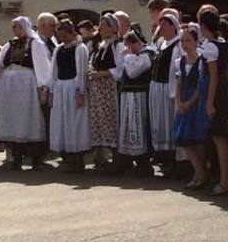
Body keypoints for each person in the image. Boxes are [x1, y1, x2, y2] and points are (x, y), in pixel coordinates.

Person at [0, 15, 52, 170]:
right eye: (13, 27)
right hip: (10, 87)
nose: (15, 29)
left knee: (29, 119)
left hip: (26, 86)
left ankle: (36, 159)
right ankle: (16, 158)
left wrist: (43, 86)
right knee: (13, 120)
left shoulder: (35, 44)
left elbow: (42, 66)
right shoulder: (11, 44)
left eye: (17, 26)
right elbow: (0, 63)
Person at [199, 7, 228, 195]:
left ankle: (225, 181)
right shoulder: (225, 44)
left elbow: (213, 76)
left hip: (215, 92)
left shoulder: (210, 47)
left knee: (220, 138)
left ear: (203, 26)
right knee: (227, 138)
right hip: (226, 92)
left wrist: (209, 103)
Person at [48, 18, 90, 171]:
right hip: (60, 88)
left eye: (65, 36)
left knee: (76, 122)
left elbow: (82, 72)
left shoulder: (80, 48)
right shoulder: (58, 49)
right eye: (60, 36)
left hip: (73, 87)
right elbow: (53, 71)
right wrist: (52, 91)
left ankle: (79, 159)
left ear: (72, 33)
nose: (63, 39)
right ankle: (68, 157)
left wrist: (81, 92)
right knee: (63, 122)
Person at [174, 25, 209, 188]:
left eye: (188, 40)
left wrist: (190, 102)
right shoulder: (180, 62)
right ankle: (199, 172)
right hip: (184, 100)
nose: (185, 44)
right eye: (182, 41)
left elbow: (201, 86)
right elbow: (179, 83)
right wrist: (179, 102)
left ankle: (201, 174)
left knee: (198, 140)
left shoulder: (202, 61)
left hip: (196, 102)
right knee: (185, 140)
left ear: (196, 42)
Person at [148, 8, 183, 175]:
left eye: (165, 24)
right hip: (157, 88)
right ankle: (162, 157)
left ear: (173, 26)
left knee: (168, 122)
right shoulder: (162, 43)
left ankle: (173, 160)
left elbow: (175, 71)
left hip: (167, 88)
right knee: (159, 122)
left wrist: (174, 93)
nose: (161, 27)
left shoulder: (177, 45)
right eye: (160, 24)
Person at [117, 29, 153, 173]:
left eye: (130, 44)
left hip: (139, 96)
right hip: (129, 96)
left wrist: (129, 56)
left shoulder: (146, 55)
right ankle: (128, 159)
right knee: (129, 127)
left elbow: (132, 73)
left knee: (138, 127)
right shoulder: (136, 55)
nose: (128, 47)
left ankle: (143, 163)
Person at [88, 13, 121, 169]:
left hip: (109, 88)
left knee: (110, 121)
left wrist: (103, 74)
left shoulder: (117, 46)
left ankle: (116, 159)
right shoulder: (99, 45)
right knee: (98, 121)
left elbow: (121, 69)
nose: (99, 28)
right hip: (97, 90)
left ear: (112, 28)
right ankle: (100, 157)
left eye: (103, 26)